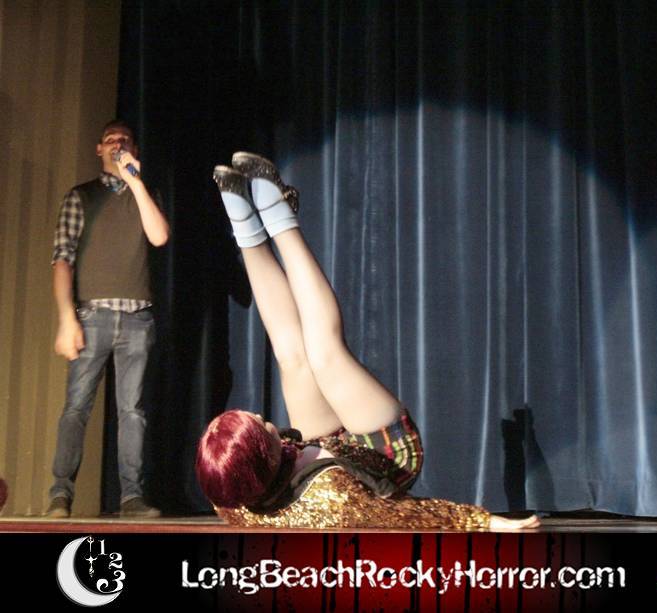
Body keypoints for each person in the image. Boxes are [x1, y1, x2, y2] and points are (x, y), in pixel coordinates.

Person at [196, 153, 540, 530]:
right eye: (260, 427)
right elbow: (408, 514)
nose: (262, 417)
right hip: (384, 459)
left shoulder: (232, 495)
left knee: (291, 356)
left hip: (323, 450)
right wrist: (485, 522)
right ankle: (279, 215)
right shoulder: (336, 500)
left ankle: (244, 224)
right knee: (324, 353)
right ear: (266, 456)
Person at [45, 120, 170, 519]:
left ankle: (131, 497)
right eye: (111, 139)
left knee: (132, 411)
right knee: (76, 408)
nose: (118, 144)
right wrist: (67, 318)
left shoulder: (145, 193)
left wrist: (135, 182)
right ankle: (60, 495)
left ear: (134, 149)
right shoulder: (81, 196)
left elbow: (159, 236)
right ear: (99, 149)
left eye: (125, 140)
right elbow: (62, 260)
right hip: (93, 316)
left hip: (137, 319)